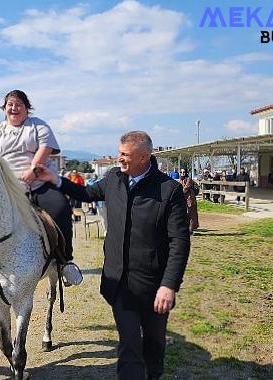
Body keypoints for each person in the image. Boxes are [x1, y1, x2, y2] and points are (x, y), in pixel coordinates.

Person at [35, 130, 190, 379]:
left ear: (144, 157)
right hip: (119, 284)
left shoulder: (169, 190)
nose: (119, 159)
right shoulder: (114, 179)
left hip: (154, 286)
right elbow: (86, 194)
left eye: (125, 155)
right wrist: (56, 180)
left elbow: (180, 242)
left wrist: (169, 285)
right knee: (129, 346)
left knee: (154, 345)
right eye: (119, 153)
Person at [0, 89, 82, 286]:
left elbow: (45, 150)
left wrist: (32, 171)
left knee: (61, 208)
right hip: (9, 188)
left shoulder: (38, 126)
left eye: (19, 104)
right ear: (4, 109)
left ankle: (65, 262)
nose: (14, 108)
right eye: (10, 104)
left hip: (39, 182)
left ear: (27, 108)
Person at [178, 169, 199, 235]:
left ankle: (191, 229)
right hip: (183, 199)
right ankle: (185, 228)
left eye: (184, 172)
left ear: (186, 172)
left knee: (191, 214)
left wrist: (179, 193)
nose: (182, 173)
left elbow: (186, 188)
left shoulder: (189, 179)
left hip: (190, 198)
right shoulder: (180, 180)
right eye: (181, 172)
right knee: (184, 213)